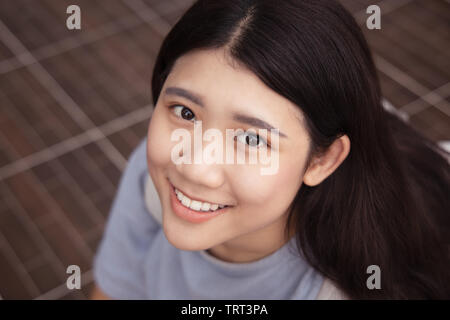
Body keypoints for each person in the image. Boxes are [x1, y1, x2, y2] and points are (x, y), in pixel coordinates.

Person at [91, 0, 450, 299]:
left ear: (323, 160)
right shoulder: (153, 174)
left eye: (250, 139)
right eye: (186, 112)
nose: (194, 167)